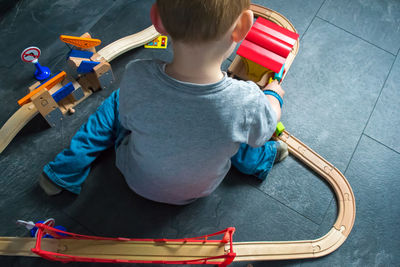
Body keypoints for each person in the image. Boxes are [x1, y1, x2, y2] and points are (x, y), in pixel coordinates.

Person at [39, 0, 288, 205]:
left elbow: (127, 119)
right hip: (199, 190)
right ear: (244, 26)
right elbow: (266, 127)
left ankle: (65, 170)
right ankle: (260, 160)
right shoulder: (247, 101)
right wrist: (273, 95)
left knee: (116, 102)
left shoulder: (137, 75)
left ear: (157, 20)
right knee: (241, 129)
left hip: (135, 177)